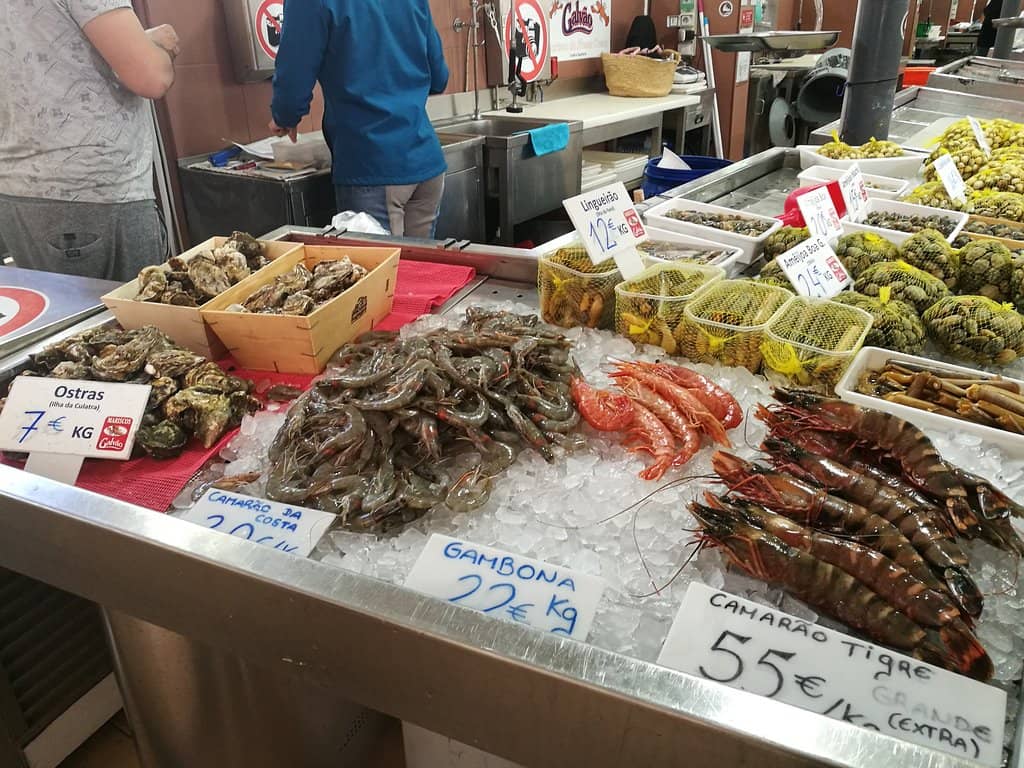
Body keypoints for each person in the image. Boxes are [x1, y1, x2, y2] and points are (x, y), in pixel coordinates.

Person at [0, 1, 179, 282]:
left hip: (18, 192)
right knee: (138, 319)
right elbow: (151, 76)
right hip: (94, 190)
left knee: (69, 320)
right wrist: (161, 48)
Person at [270, 0, 449, 238]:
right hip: (426, 163)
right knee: (420, 270)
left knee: (379, 272)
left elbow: (294, 73)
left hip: (372, 165)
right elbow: (439, 78)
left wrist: (285, 117)